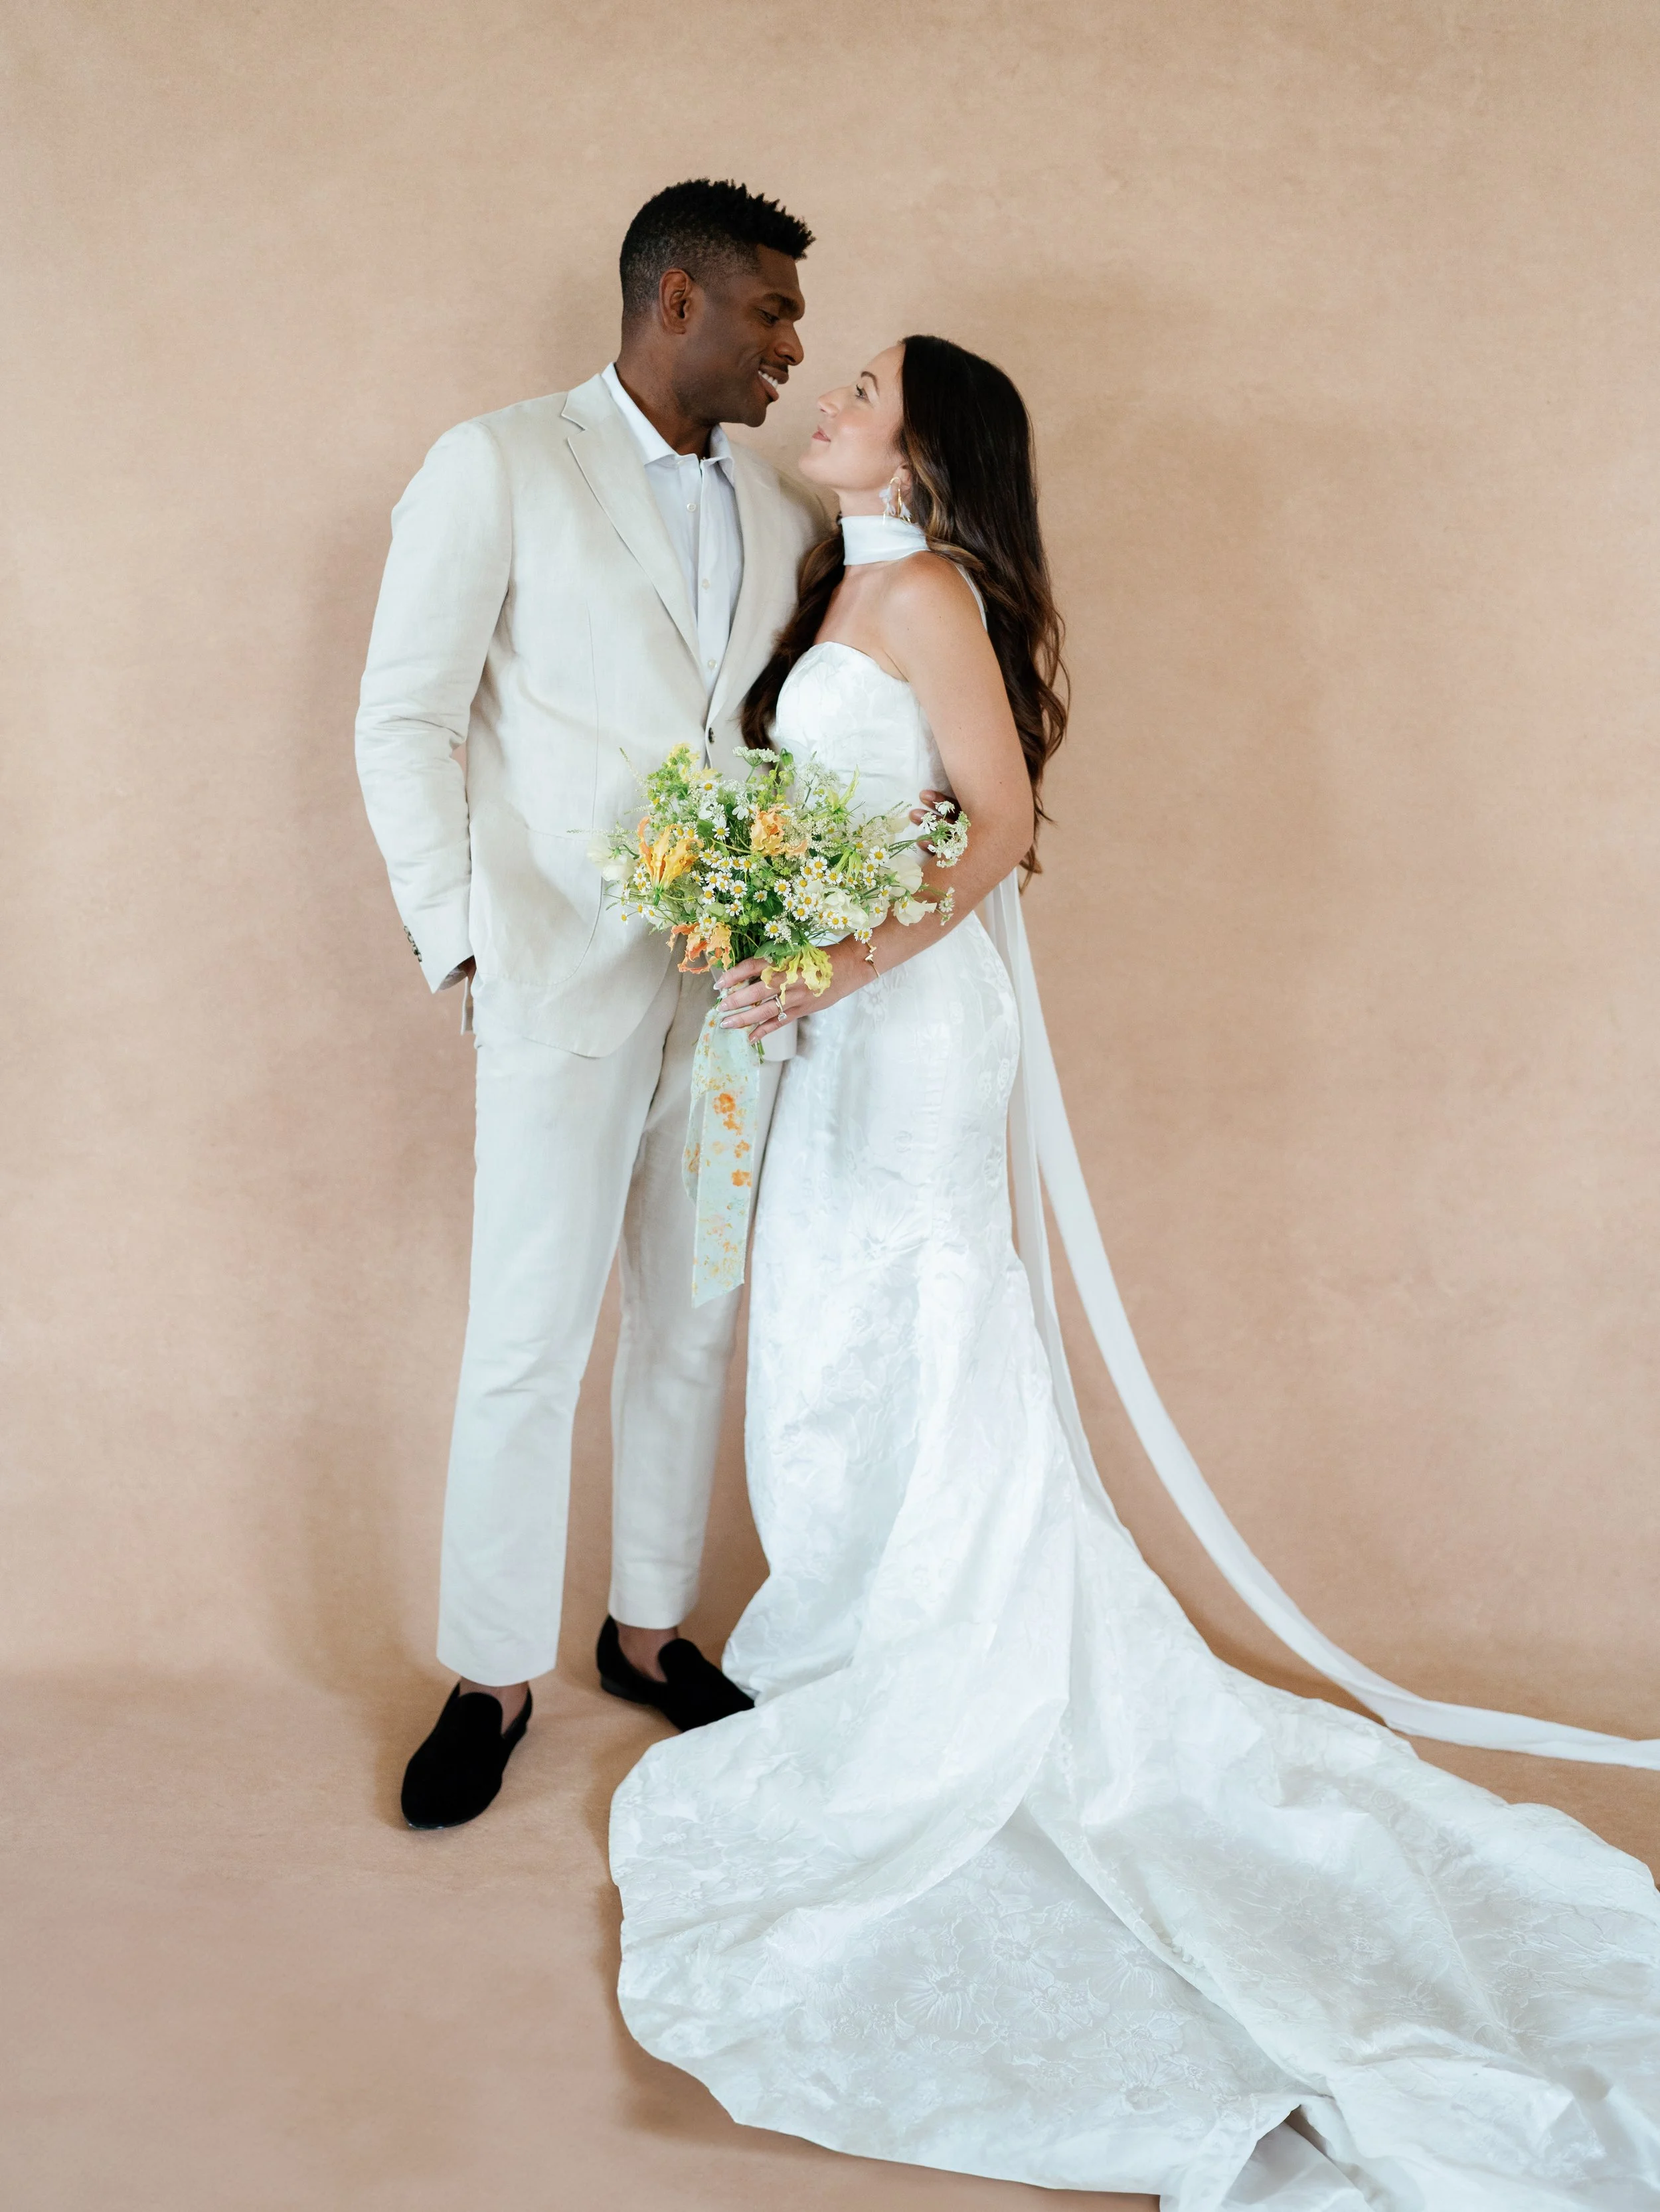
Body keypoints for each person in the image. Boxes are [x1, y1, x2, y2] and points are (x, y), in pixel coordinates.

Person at [608, 337, 1660, 2205]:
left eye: (860, 386)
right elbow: (858, 826)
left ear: (926, 456)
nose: (829, 396)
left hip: (915, 1032)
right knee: (837, 1329)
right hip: (840, 1021)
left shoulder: (923, 587)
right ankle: (859, 1635)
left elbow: (993, 828)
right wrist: (765, 929)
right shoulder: (838, 587)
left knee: (912, 1315)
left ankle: (943, 1670)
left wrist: (836, 965)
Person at [355, 180, 825, 1829]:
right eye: (770, 313)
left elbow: (769, 738)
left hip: (730, 996)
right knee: (527, 1334)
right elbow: (402, 717)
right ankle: (489, 1675)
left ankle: (646, 1628)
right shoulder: (495, 463)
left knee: (694, 1313)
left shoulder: (775, 511)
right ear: (675, 302)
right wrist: (461, 943)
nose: (790, 348)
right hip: (554, 975)